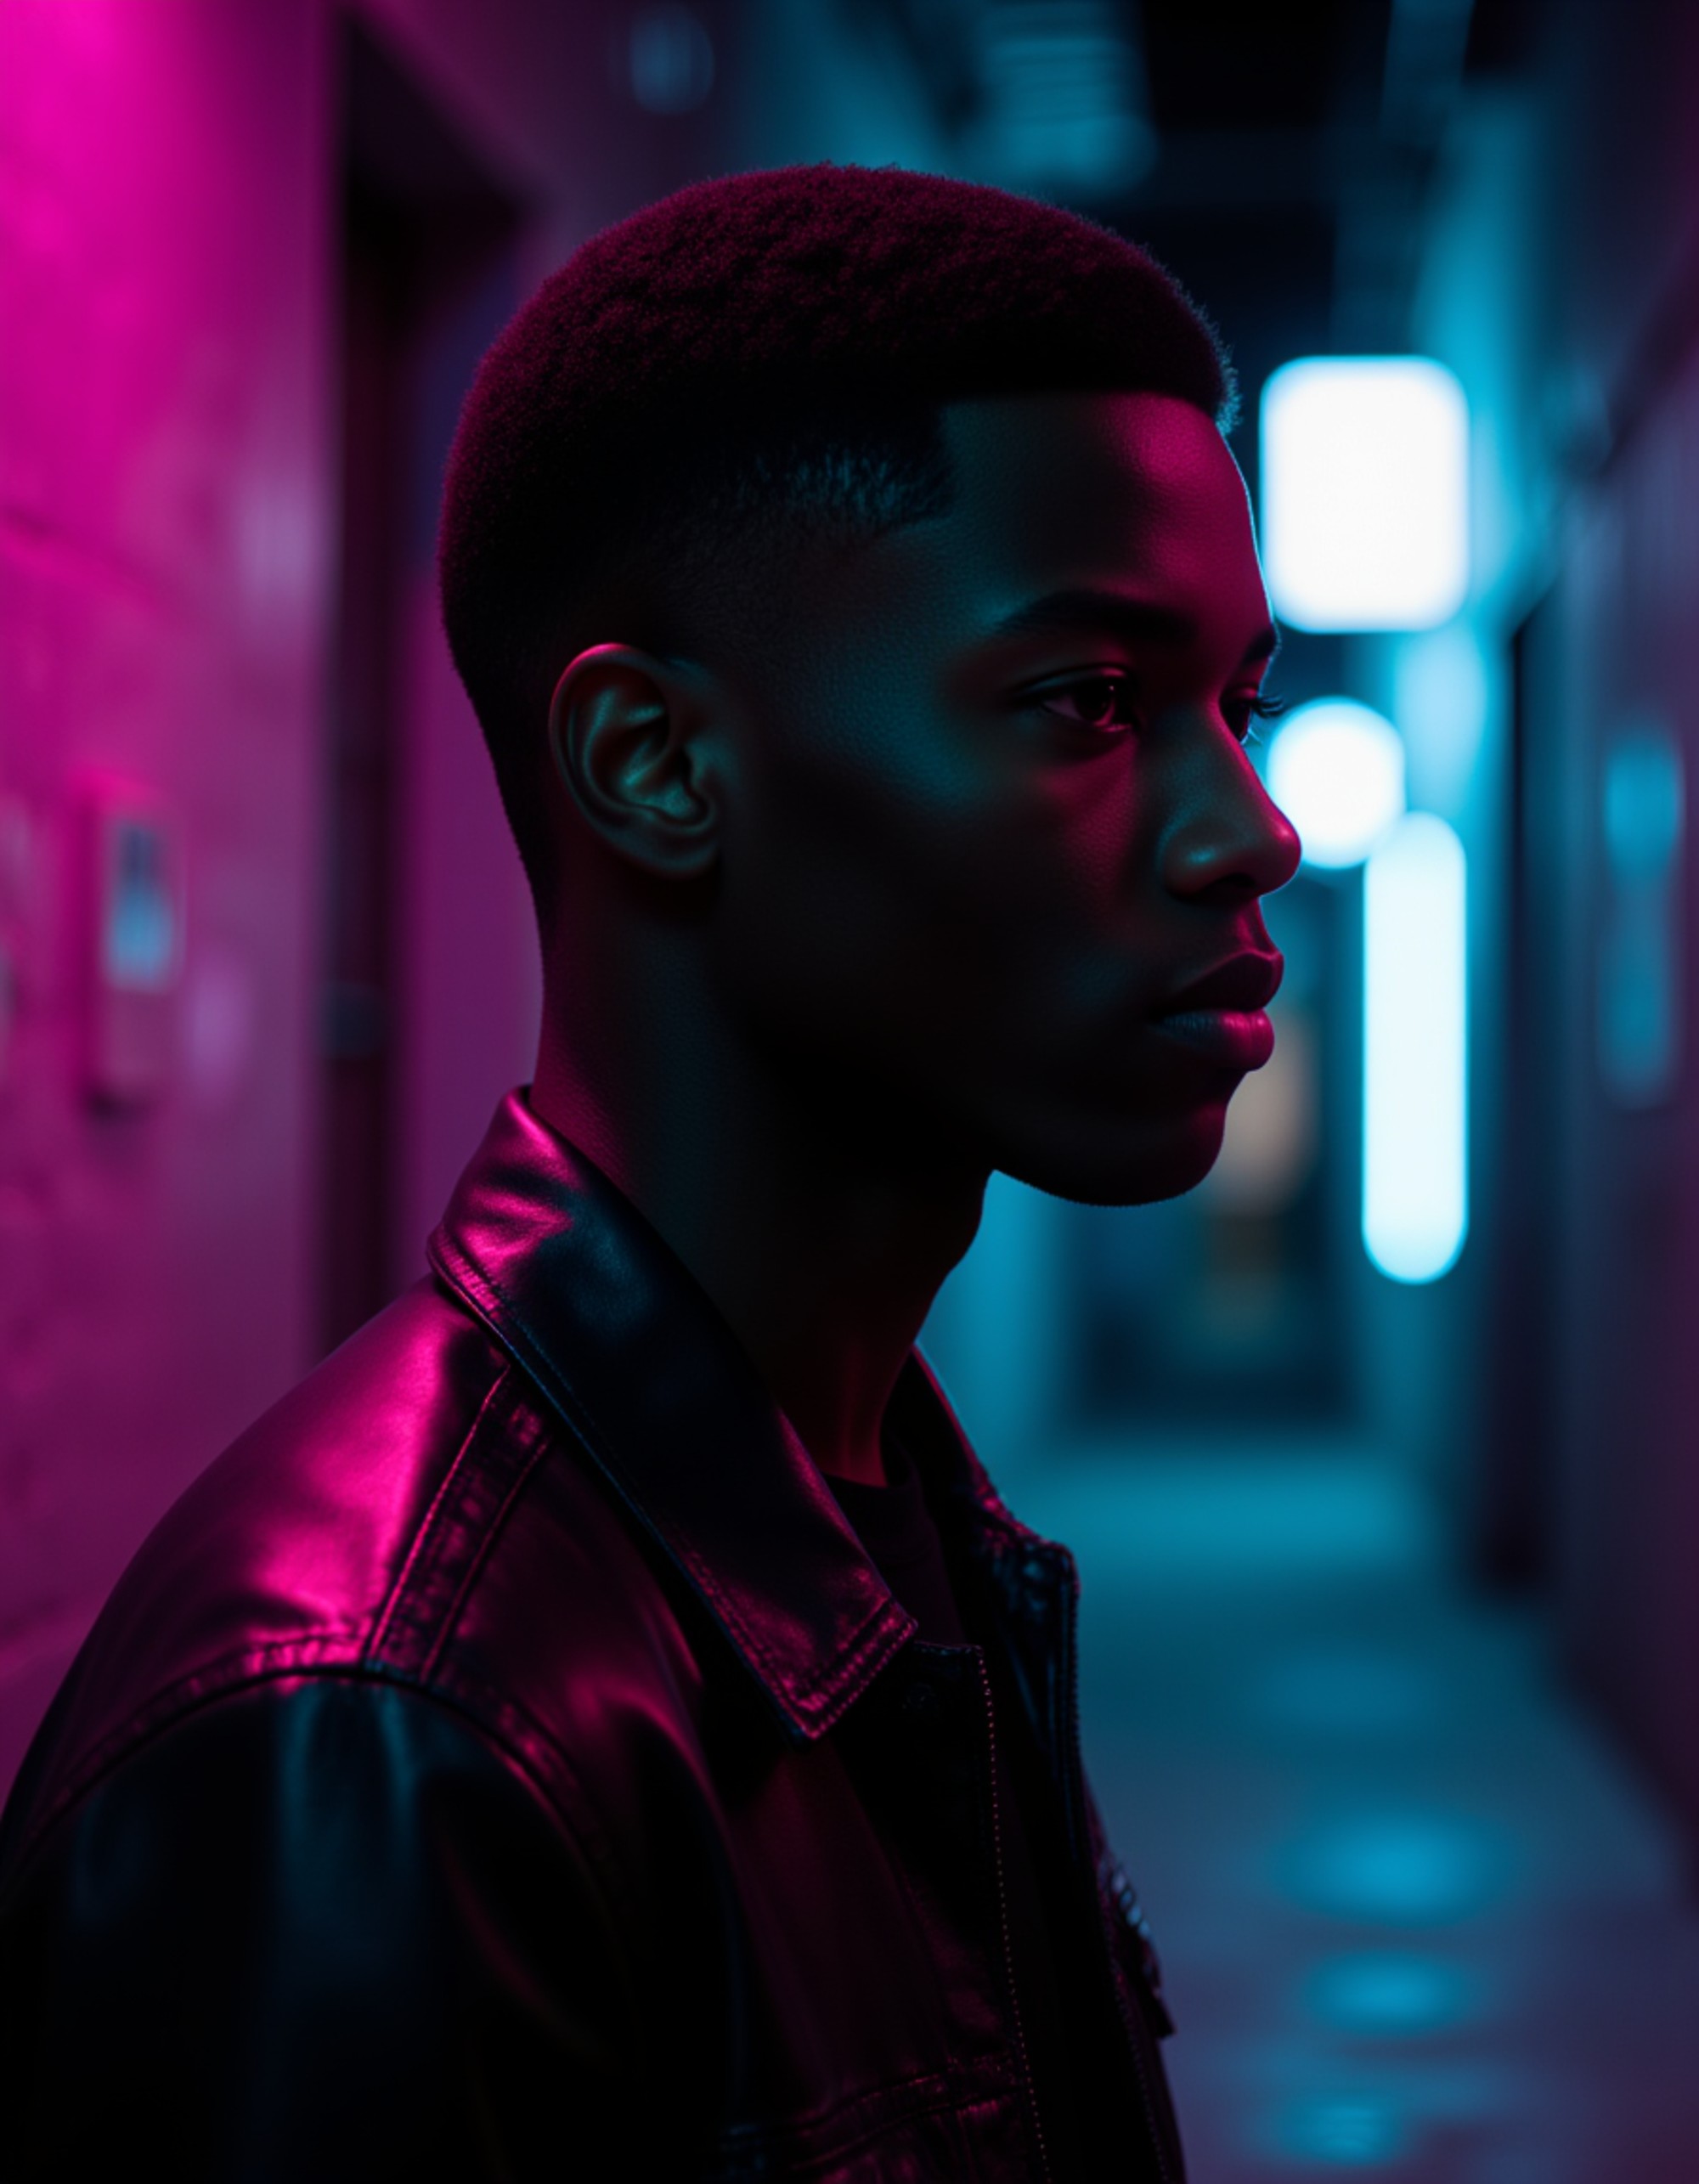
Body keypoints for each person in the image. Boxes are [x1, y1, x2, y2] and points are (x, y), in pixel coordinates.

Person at [0, 164, 1298, 2179]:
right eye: (1090, 703)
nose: (1250, 827)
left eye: (1241, 701)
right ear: (656, 766)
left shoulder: (899, 1519)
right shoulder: (374, 1734)